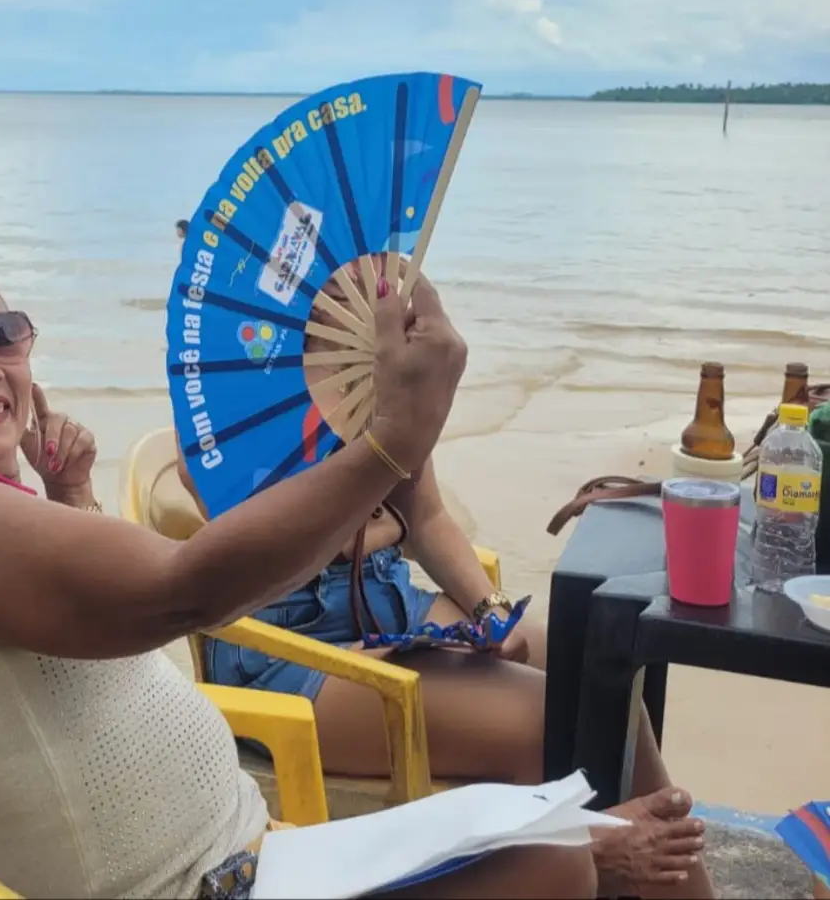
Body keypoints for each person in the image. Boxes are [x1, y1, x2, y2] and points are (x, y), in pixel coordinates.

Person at [0, 247, 703, 899]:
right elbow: (183, 591)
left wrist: (70, 490)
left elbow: (105, 629)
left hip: (255, 860)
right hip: (213, 880)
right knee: (564, 859)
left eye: (2, 334)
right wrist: (394, 439)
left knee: (568, 833)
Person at [176, 255, 713, 899]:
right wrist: (377, 495)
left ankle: (656, 883)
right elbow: (270, 555)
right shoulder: (228, 413)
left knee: (600, 674)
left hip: (389, 602)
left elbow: (425, 517)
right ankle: (588, 864)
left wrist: (490, 611)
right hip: (285, 645)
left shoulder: (372, 385)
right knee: (539, 719)